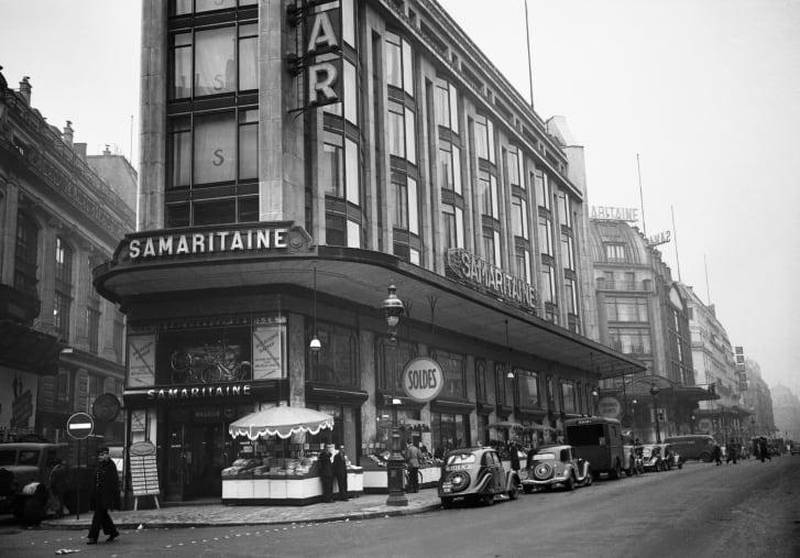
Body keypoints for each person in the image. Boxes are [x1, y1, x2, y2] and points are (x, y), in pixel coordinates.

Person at [87, 447, 120, 545]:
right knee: (103, 515)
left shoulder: (111, 465)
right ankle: (113, 532)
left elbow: (113, 482)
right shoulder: (99, 465)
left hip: (106, 496)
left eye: (103, 454)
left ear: (107, 455)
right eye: (99, 455)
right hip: (97, 495)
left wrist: (114, 498)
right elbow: (95, 480)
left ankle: (92, 537)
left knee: (97, 516)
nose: (100, 457)